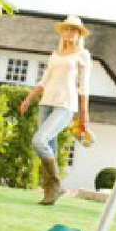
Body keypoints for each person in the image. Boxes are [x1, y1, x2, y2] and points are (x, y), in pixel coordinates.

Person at [20, 15, 92, 205]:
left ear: (79, 35)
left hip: (65, 105)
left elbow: (84, 86)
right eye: (67, 29)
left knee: (39, 141)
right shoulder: (55, 55)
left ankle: (56, 184)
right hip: (46, 103)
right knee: (48, 146)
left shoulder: (83, 55)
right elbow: (44, 81)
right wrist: (28, 98)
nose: (70, 33)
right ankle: (50, 192)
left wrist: (84, 114)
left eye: (74, 30)